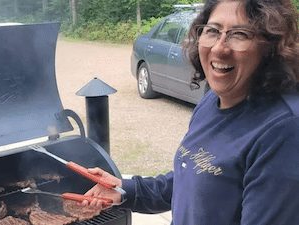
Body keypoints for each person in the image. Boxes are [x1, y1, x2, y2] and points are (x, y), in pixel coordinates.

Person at [82, 0, 299, 224]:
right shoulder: (213, 100)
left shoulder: (283, 130)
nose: (219, 48)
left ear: (271, 47)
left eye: (240, 34)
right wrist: (124, 189)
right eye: (213, 31)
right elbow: (191, 179)